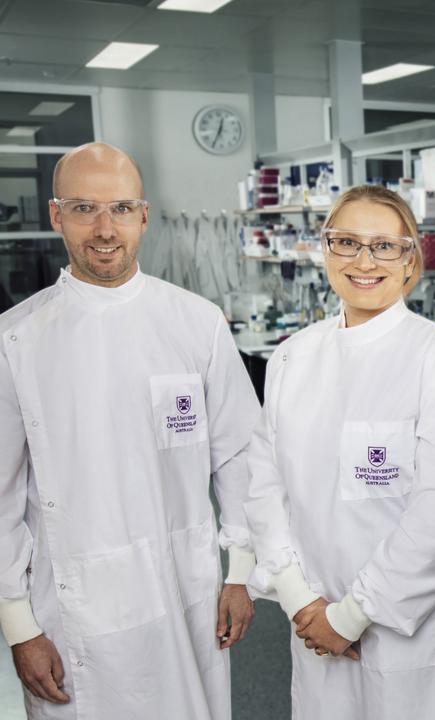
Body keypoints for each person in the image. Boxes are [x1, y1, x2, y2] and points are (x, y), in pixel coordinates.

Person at [0, 142, 258, 718]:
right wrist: (18, 625)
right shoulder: (16, 339)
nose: (103, 228)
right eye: (83, 208)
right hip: (72, 613)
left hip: (186, 590)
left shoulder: (197, 323)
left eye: (119, 208)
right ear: (54, 216)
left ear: (144, 215)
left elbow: (241, 455)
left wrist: (240, 572)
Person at [244, 185, 435, 719]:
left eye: (384, 246)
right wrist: (300, 597)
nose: (364, 261)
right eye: (346, 242)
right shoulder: (292, 359)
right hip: (313, 623)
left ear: (410, 260)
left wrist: (350, 616)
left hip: (406, 635)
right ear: (324, 250)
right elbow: (264, 490)